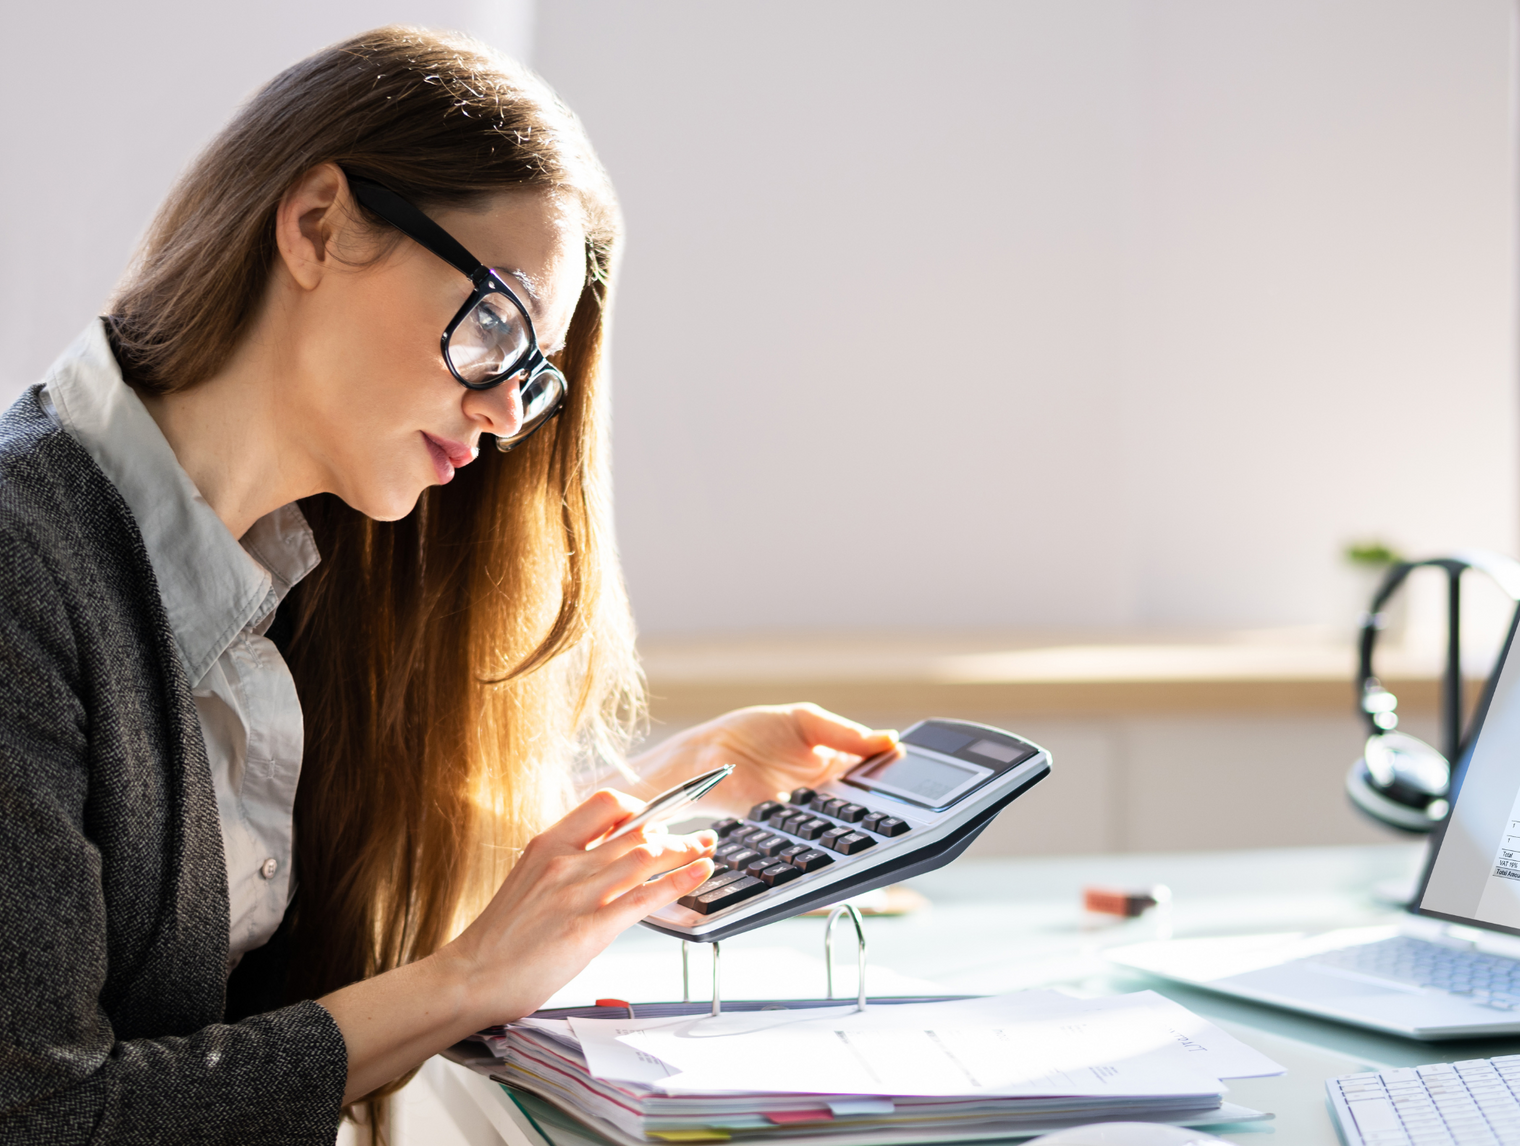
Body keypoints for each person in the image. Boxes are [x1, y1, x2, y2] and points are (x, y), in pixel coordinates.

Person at [0, 26, 896, 1144]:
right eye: (500, 326)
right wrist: (471, 980)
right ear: (318, 225)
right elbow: (40, 1115)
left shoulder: (287, 575)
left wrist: (642, 806)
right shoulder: (23, 564)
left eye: (532, 374)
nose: (505, 416)